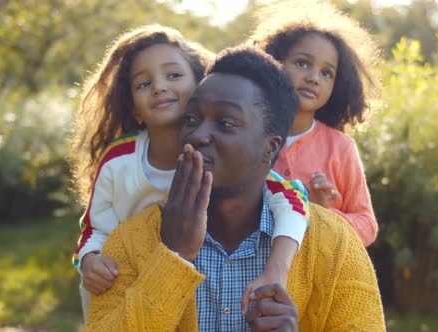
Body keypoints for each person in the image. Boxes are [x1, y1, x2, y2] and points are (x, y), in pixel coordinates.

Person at [84, 45, 385, 331]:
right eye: (191, 119)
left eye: (226, 123)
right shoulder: (130, 241)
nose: (199, 135)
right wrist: (173, 257)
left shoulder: (335, 245)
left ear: (270, 148)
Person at [69, 24, 310, 319]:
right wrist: (90, 261)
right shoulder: (119, 162)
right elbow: (93, 228)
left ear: (200, 83)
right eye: (143, 83)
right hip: (118, 282)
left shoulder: (226, 164)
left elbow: (290, 196)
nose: (159, 86)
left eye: (173, 75)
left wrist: (277, 266)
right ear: (134, 108)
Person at [248, 0, 381, 246]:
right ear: (274, 61)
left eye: (326, 72)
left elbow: (367, 225)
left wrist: (321, 214)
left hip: (319, 280)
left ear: (337, 84)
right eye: (302, 63)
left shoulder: (341, 149)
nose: (313, 78)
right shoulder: (247, 135)